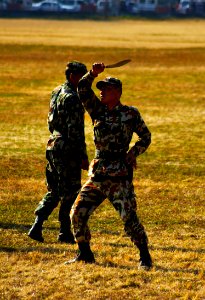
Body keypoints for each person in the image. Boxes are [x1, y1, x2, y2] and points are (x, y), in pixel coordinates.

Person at [66, 62, 153, 269]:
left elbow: (146, 137)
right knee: (76, 213)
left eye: (106, 89)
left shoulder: (130, 113)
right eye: (101, 89)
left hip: (119, 175)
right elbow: (82, 89)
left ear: (117, 92)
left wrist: (133, 152)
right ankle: (85, 254)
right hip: (98, 175)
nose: (102, 92)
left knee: (129, 218)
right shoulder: (97, 110)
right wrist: (92, 74)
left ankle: (145, 257)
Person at [28, 61, 89, 244]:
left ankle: (37, 224)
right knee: (70, 190)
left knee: (55, 189)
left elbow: (50, 121)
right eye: (83, 76)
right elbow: (76, 131)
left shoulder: (57, 91)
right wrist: (83, 156)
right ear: (73, 76)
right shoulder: (73, 98)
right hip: (67, 147)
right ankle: (64, 231)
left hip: (53, 144)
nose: (86, 80)